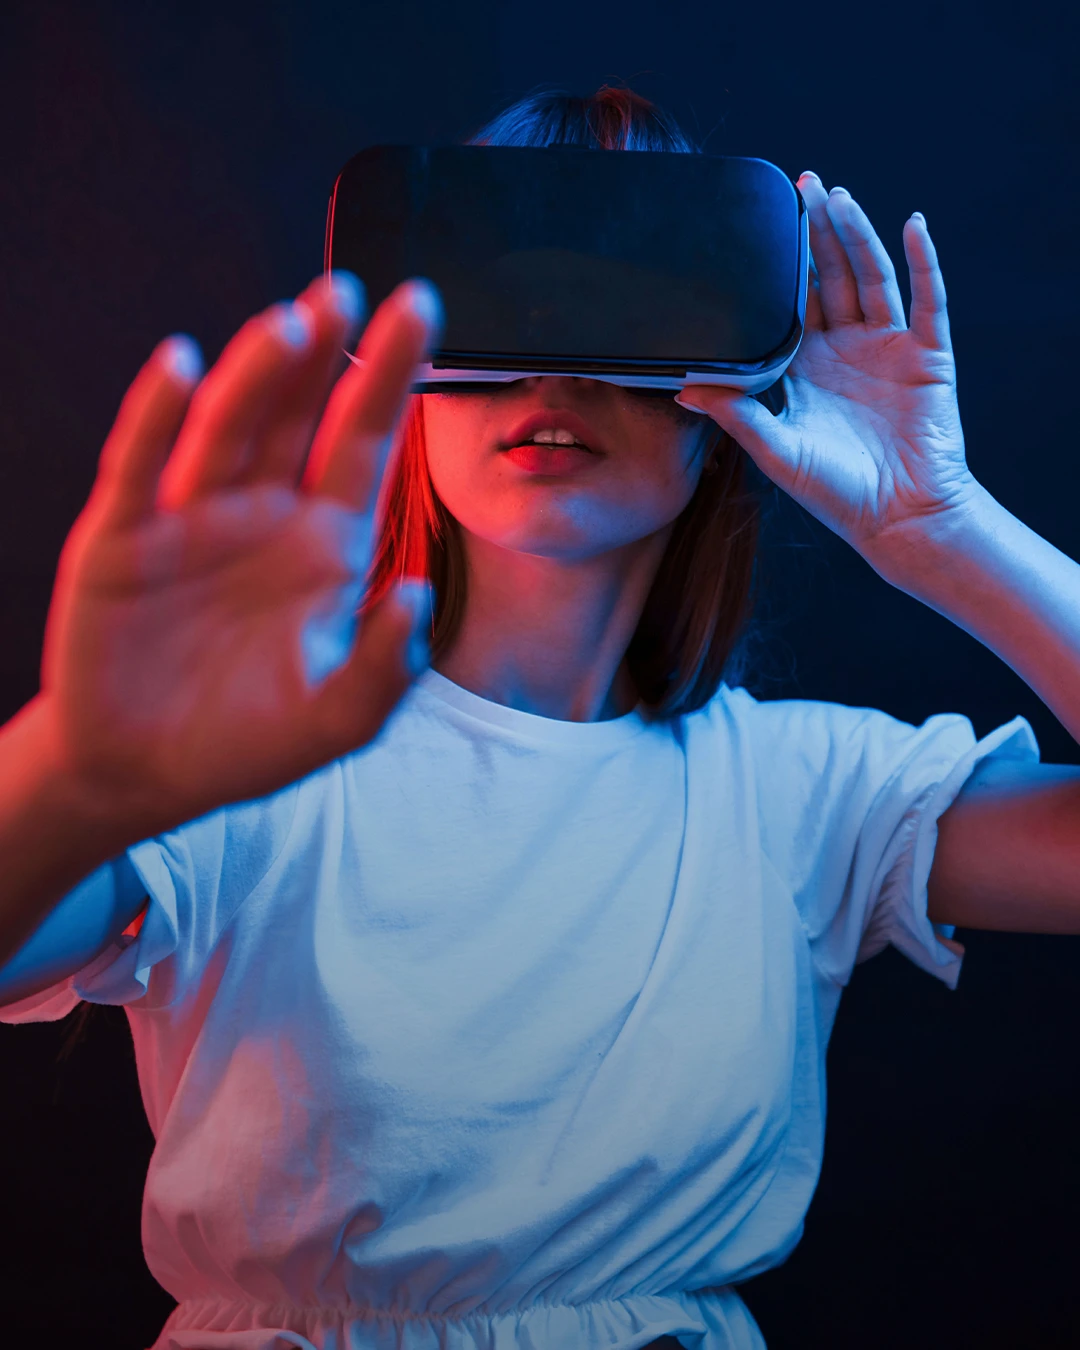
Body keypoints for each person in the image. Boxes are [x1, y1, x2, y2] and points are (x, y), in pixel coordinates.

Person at [0, 84, 1077, 1350]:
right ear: (410, 377)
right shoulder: (247, 757)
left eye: (629, 309)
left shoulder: (809, 794)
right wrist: (77, 766)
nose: (558, 361)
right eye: (503, 293)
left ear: (725, 403)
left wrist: (941, 528)